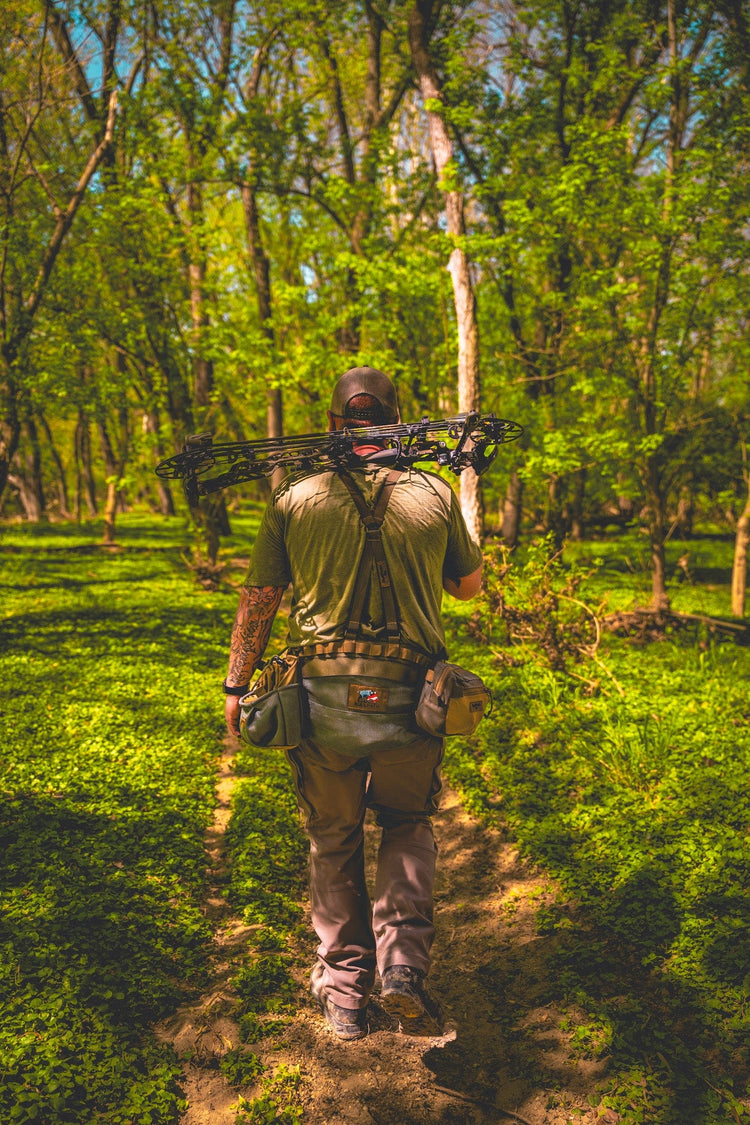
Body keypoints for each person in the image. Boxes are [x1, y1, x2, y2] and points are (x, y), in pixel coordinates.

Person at [223, 367, 482, 1041]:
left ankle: (344, 993)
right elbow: (469, 587)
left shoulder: (296, 496)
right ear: (399, 418)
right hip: (411, 704)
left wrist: (235, 684)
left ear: (335, 422)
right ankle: (401, 972)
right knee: (405, 824)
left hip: (320, 702)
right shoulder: (434, 490)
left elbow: (259, 600)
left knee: (332, 838)